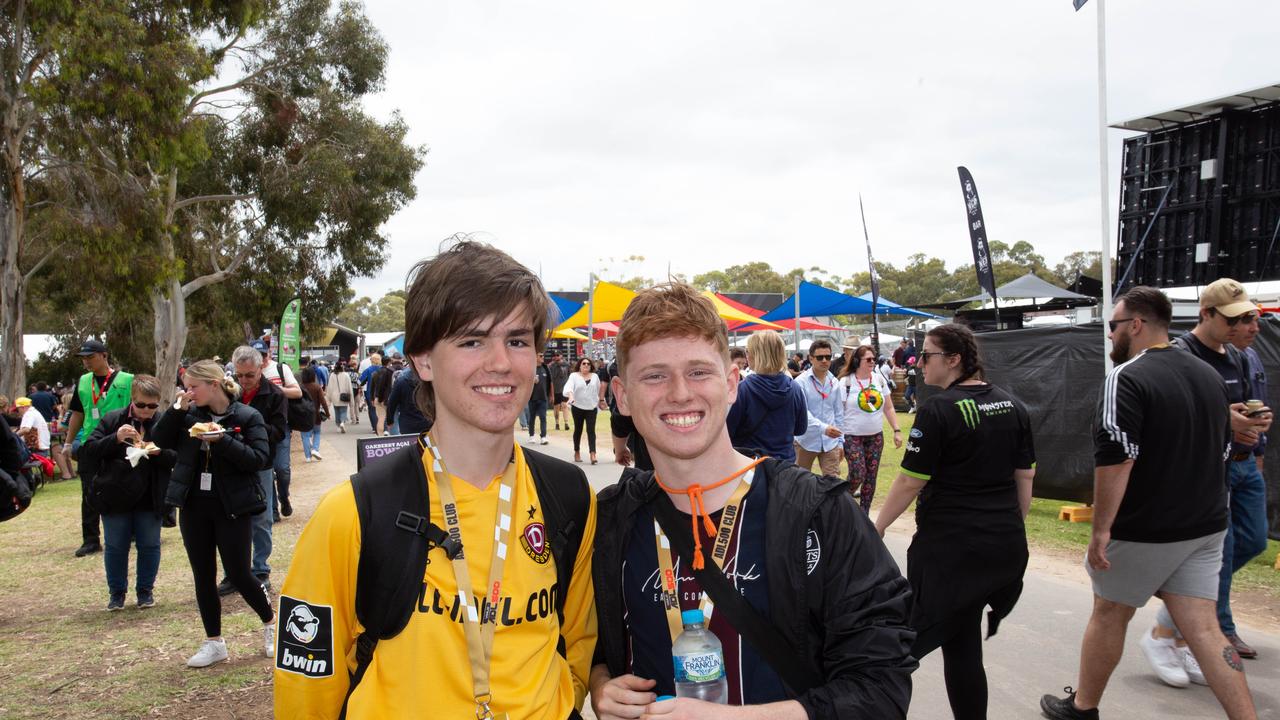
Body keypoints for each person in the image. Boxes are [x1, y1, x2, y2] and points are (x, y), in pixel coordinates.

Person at [274, 239, 596, 719]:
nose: (501, 363)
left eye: (517, 340)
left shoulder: (569, 495)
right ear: (423, 360)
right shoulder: (353, 513)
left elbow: (579, 647)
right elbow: (306, 690)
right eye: (471, 341)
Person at [590, 282, 916, 718]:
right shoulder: (611, 518)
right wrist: (600, 683)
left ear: (730, 384)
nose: (680, 393)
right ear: (622, 395)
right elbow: (583, 641)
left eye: (699, 372)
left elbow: (882, 686)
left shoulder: (819, 512)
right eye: (654, 375)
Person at [1041, 286, 1259, 720]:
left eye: (1112, 326)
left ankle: (1083, 707)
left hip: (1148, 526)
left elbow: (1117, 457)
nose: (1109, 336)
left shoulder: (1127, 377)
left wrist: (1101, 529)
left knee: (1108, 612)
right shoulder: (1208, 375)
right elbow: (1221, 451)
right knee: (1204, 627)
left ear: (1136, 325)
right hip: (1206, 523)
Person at [874, 323, 1034, 720]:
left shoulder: (938, 409)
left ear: (954, 359)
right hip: (1003, 550)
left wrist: (875, 527)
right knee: (961, 643)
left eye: (926, 356)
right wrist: (1008, 528)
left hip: (952, 554)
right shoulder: (1012, 405)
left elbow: (911, 480)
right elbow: (1025, 478)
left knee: (894, 651)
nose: (918, 364)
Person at [153, 359, 275, 668]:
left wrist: (223, 440)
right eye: (187, 387)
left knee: (239, 573)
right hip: (194, 503)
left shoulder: (247, 416)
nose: (189, 392)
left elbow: (259, 459)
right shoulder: (187, 415)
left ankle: (270, 622)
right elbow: (160, 440)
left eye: (194, 387)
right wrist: (176, 410)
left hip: (233, 505)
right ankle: (214, 641)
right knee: (203, 575)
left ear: (214, 385)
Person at [78, 375, 175, 610]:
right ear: (132, 399)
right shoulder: (113, 420)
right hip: (115, 493)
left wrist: (157, 453)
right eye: (141, 405)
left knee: (150, 544)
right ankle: (116, 594)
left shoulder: (163, 423)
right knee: (115, 546)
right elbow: (89, 450)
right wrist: (116, 439)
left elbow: (176, 457)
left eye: (152, 406)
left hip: (150, 495)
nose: (146, 411)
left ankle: (145, 592)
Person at [217, 345, 288, 598]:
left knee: (261, 518)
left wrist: (252, 426)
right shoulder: (228, 393)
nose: (244, 381)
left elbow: (279, 432)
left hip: (260, 464)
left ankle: (260, 570)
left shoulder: (275, 395)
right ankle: (234, 572)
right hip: (230, 461)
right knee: (229, 518)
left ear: (261, 369)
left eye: (250, 375)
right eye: (240, 375)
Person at [66, 339, 135, 557]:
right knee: (89, 491)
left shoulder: (127, 380)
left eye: (90, 357)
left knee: (126, 486)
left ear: (104, 356)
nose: (86, 362)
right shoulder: (84, 382)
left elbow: (138, 409)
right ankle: (91, 539)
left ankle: (131, 531)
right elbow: (78, 413)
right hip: (91, 442)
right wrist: (68, 442)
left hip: (121, 441)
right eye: (83, 358)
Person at [837, 345, 904, 513]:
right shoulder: (846, 382)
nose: (873, 362)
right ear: (858, 361)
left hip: (875, 437)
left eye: (874, 359)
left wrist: (896, 430)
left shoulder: (878, 379)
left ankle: (864, 515)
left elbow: (888, 408)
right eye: (868, 359)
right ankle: (842, 499)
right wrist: (838, 441)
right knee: (858, 473)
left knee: (870, 477)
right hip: (852, 436)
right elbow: (838, 413)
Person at [725, 330, 807, 463]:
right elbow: (801, 429)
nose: (747, 356)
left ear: (756, 355)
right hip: (785, 466)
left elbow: (729, 431)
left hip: (751, 465)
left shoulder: (743, 389)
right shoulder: (795, 388)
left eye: (748, 351)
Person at [256, 339, 301, 524]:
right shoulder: (248, 374)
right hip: (258, 429)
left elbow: (297, 392)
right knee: (266, 469)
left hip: (280, 425)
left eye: (264, 355)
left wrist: (275, 389)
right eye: (257, 356)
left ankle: (284, 496)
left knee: (282, 468)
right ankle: (273, 510)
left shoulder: (280, 369)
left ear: (269, 354)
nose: (262, 360)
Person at [793, 339, 844, 477]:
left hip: (830, 442)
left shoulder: (834, 382)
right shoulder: (800, 382)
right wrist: (824, 428)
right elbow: (802, 413)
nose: (824, 361)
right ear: (811, 358)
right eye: (820, 357)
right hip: (805, 441)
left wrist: (841, 442)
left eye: (828, 357)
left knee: (833, 484)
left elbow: (839, 413)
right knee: (800, 483)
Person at [564, 356, 606, 463]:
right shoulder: (574, 376)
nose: (586, 365)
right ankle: (577, 452)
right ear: (579, 365)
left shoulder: (595, 376)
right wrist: (571, 396)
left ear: (591, 366)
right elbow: (569, 387)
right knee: (578, 430)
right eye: (584, 363)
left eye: (588, 364)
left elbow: (597, 390)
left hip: (591, 407)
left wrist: (601, 401)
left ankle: (593, 454)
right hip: (577, 407)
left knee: (591, 430)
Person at [385, 365, 432, 435]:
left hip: (407, 423)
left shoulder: (401, 381)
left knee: (409, 443)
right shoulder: (429, 381)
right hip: (427, 421)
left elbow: (392, 403)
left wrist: (389, 421)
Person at [298, 366, 329, 462]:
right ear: (313, 376)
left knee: (305, 436)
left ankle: (307, 456)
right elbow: (323, 401)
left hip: (303, 415)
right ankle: (315, 449)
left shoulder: (300, 387)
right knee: (317, 433)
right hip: (315, 415)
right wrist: (327, 413)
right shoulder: (317, 387)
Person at [526, 354, 552, 445]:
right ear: (535, 357)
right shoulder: (530, 369)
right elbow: (524, 382)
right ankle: (531, 436)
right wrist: (531, 381)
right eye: (540, 356)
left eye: (543, 356)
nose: (543, 357)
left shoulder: (546, 368)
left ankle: (543, 437)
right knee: (532, 417)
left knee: (543, 417)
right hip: (532, 397)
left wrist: (551, 395)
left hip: (543, 397)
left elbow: (550, 382)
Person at [325, 359, 355, 433]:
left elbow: (329, 387)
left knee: (337, 411)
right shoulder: (346, 375)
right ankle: (342, 422)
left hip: (334, 396)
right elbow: (349, 387)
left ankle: (338, 425)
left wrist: (328, 398)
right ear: (342, 367)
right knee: (343, 411)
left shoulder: (332, 375)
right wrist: (351, 397)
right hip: (344, 396)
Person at [368, 360, 394, 436]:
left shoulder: (375, 373)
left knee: (380, 418)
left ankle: (380, 435)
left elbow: (372, 387)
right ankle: (386, 430)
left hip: (377, 397)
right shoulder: (391, 373)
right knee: (388, 415)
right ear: (389, 363)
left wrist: (372, 398)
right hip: (388, 397)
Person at [358, 353, 383, 429]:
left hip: (370, 393)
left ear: (372, 360)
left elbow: (360, 381)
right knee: (382, 410)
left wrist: (361, 386)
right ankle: (382, 426)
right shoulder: (383, 369)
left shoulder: (368, 370)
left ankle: (375, 427)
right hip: (382, 393)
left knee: (372, 410)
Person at [549, 351, 570, 431]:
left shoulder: (566, 364)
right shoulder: (552, 366)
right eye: (555, 355)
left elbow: (568, 375)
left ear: (561, 355)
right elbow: (551, 378)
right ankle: (557, 423)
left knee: (565, 406)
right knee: (556, 407)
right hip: (555, 389)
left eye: (557, 355)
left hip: (565, 389)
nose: (556, 357)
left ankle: (566, 423)